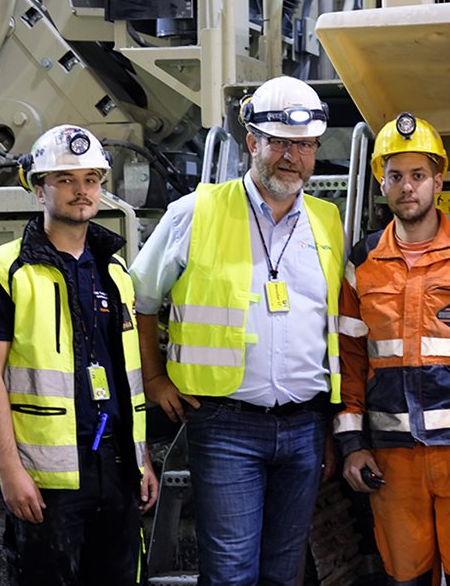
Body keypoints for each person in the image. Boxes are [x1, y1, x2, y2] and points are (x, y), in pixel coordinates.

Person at [130, 75, 345, 585]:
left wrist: (335, 420)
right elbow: (139, 300)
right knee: (229, 574)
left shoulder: (328, 221)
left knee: (283, 574)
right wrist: (155, 379)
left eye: (306, 146)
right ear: (252, 142)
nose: (293, 158)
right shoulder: (194, 213)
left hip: (305, 426)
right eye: (280, 144)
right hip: (226, 426)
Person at [336, 113, 450, 585]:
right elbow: (350, 362)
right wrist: (353, 445)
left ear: (439, 180)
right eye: (396, 176)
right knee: (406, 579)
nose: (407, 187)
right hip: (393, 462)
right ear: (381, 182)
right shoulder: (363, 260)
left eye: (418, 175)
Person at [0, 125, 157, 586]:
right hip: (45, 476)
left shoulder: (115, 272)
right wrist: (11, 473)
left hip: (115, 467)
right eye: (65, 179)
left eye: (91, 179)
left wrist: (142, 461)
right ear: (38, 189)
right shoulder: (5, 271)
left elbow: (122, 376)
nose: (82, 192)